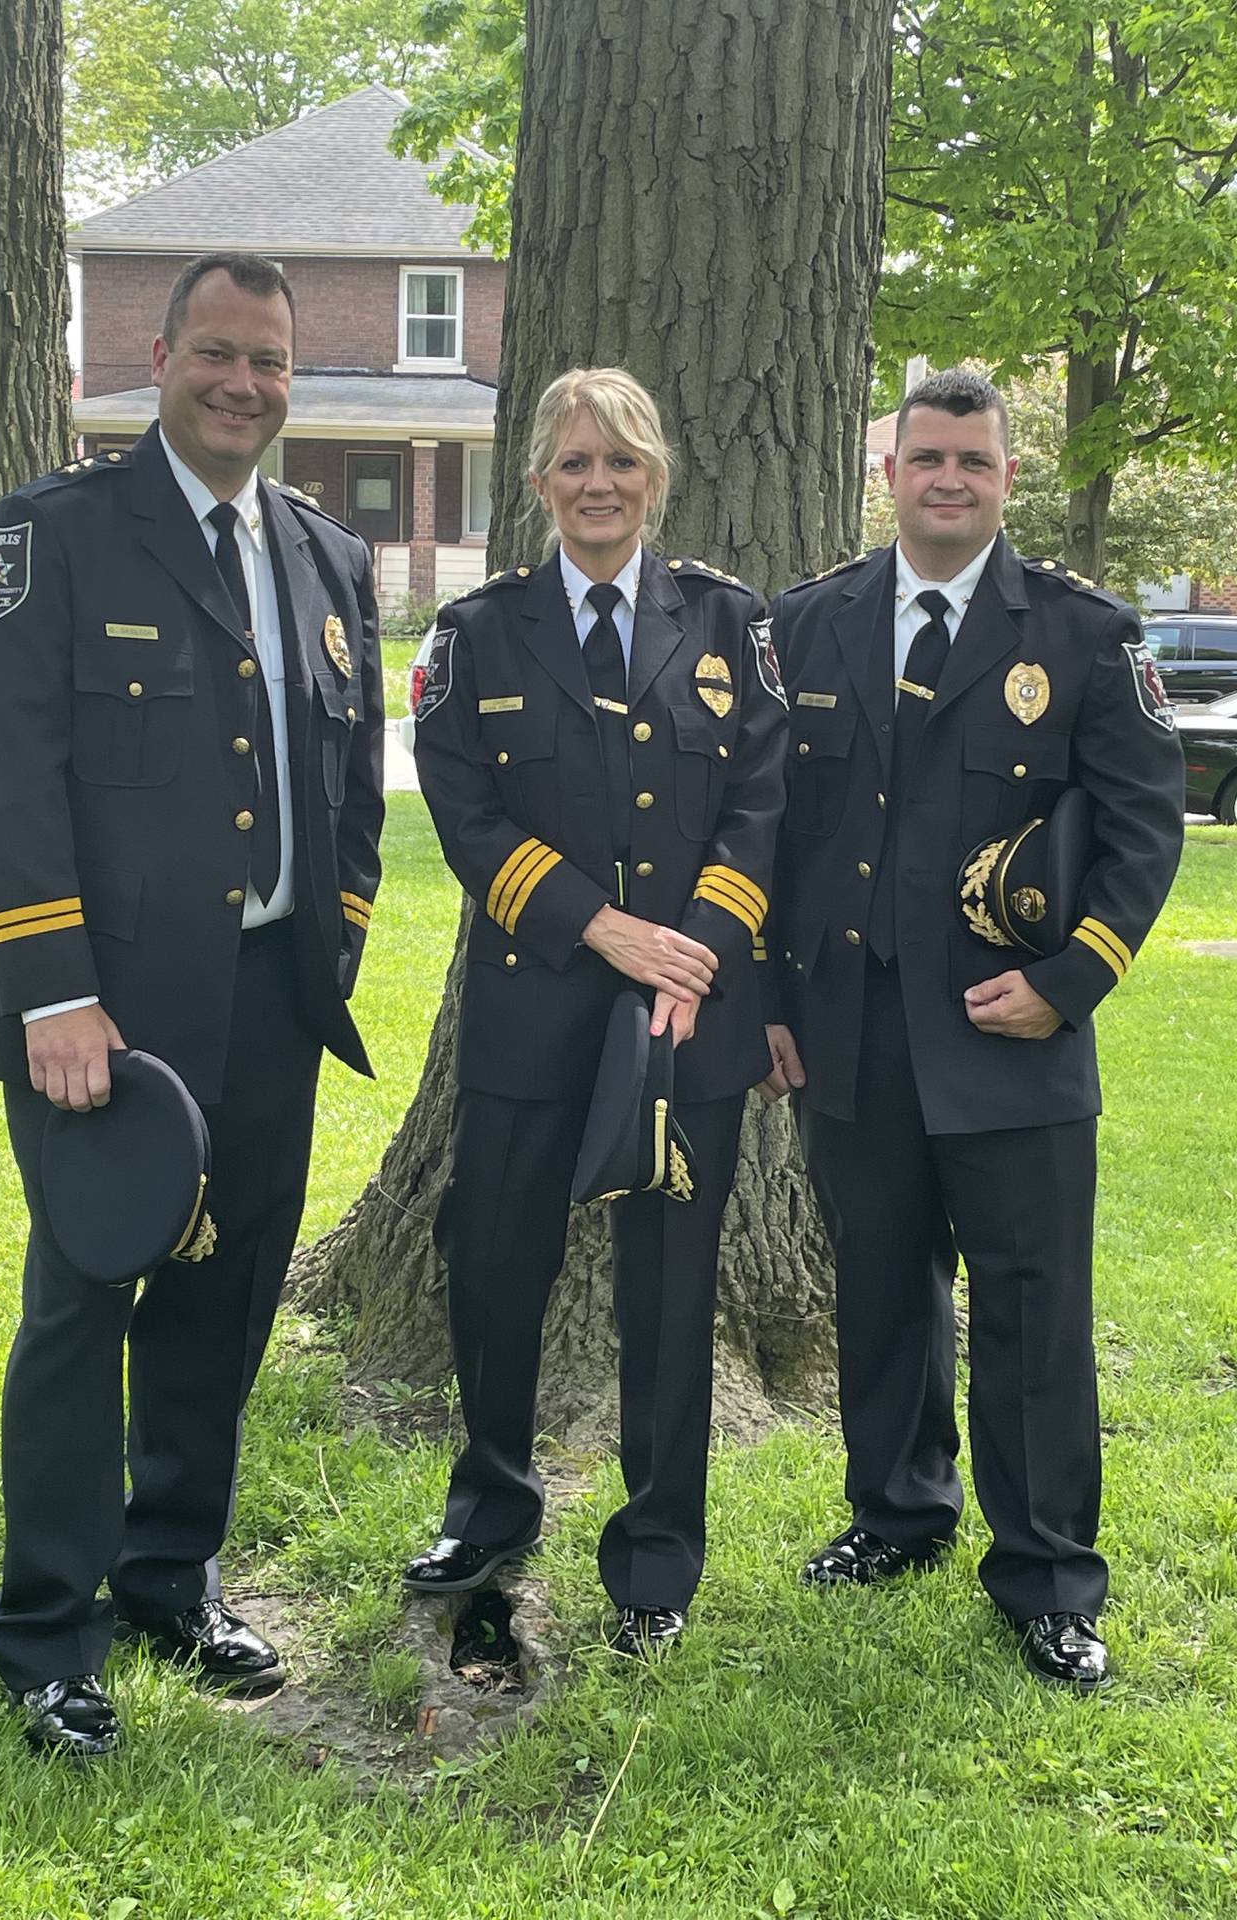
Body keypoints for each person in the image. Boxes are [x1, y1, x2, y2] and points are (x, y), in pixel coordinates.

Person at [0, 252, 384, 1758]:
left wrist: (331, 948)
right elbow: (4, 775)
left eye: (267, 362)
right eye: (216, 354)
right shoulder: (55, 533)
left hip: (268, 1001)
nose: (243, 384)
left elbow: (349, 780)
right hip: (104, 1014)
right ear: (157, 356)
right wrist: (53, 990)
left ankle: (168, 1582)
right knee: (86, 1301)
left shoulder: (326, 557)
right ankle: (48, 1632)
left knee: (225, 1296)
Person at [761, 368, 1184, 1690]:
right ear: (887, 471)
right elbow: (770, 834)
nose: (951, 478)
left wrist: (1075, 978)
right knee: (882, 1297)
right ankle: (897, 1515)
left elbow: (1145, 826)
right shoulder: (809, 624)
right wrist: (777, 1004)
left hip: (1014, 1035)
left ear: (1009, 479)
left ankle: (1049, 1577)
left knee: (1030, 1310)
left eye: (976, 462)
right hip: (855, 1034)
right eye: (928, 457)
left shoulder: (1084, 633)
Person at [402, 368, 788, 1656]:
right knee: (496, 1266)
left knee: (674, 1289)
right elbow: (463, 809)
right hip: (535, 1010)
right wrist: (604, 930)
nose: (599, 484)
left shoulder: (729, 623)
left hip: (688, 1024)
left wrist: (696, 954)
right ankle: (493, 1503)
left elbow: (764, 807)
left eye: (621, 462)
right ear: (537, 487)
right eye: (573, 464)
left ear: (656, 479)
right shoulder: (480, 630)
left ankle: (659, 1551)